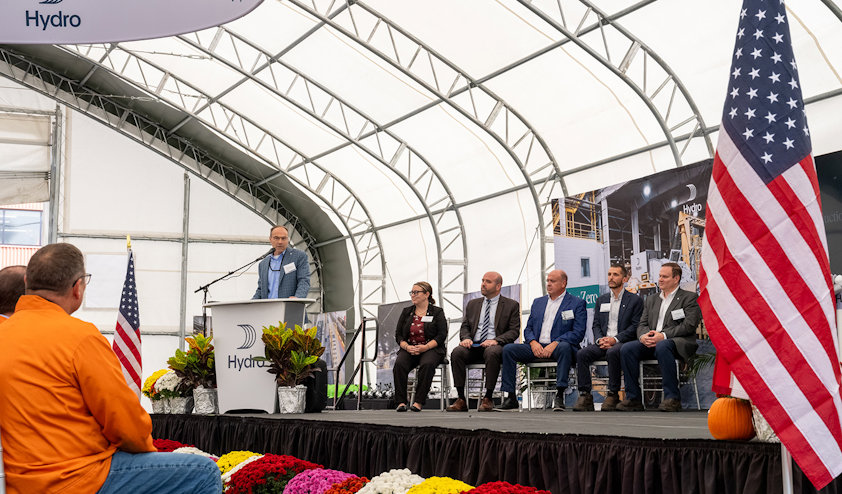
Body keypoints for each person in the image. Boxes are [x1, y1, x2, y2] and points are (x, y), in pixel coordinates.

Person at [0, 243, 221, 493]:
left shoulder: (4, 334)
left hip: (15, 481)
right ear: (77, 288)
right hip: (77, 478)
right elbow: (124, 423)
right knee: (204, 472)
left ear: (27, 282)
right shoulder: (80, 338)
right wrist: (147, 449)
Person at [617, 262, 702, 412]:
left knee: (663, 345)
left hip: (677, 342)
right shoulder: (651, 299)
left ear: (676, 279)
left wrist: (663, 336)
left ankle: (672, 398)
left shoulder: (689, 298)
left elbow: (688, 325)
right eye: (660, 276)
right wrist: (643, 336)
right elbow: (642, 324)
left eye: (665, 277)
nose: (660, 279)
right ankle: (633, 398)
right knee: (627, 349)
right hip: (652, 341)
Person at [498, 270, 587, 411]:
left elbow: (578, 332)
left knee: (564, 347)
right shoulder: (538, 302)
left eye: (553, 281)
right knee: (509, 349)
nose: (549, 284)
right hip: (537, 346)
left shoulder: (576, 303)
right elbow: (528, 329)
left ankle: (559, 395)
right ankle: (511, 397)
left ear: (563, 284)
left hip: (559, 346)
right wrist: (533, 342)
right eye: (548, 281)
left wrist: (556, 343)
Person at [572, 263, 643, 412]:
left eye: (615, 274)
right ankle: (585, 395)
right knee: (582, 354)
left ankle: (613, 393)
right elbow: (596, 324)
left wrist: (615, 339)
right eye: (610, 274)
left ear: (625, 279)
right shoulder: (601, 299)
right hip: (603, 342)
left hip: (623, 342)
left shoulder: (635, 300)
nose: (611, 277)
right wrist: (600, 340)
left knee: (613, 352)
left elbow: (635, 326)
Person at [447, 272, 520, 412]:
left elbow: (514, 331)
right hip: (473, 345)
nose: (483, 284)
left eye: (488, 281)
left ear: (498, 286)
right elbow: (465, 326)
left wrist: (496, 340)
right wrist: (466, 338)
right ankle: (461, 399)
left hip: (494, 346)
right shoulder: (473, 304)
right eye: (482, 280)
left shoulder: (511, 305)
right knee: (457, 352)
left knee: (492, 352)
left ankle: (488, 398)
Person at [392, 281, 447, 412]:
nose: (413, 295)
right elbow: (398, 335)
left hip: (431, 348)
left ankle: (418, 402)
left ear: (426, 294)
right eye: (412, 292)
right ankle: (401, 402)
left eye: (416, 292)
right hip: (410, 348)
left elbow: (441, 335)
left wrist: (426, 347)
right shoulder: (407, 312)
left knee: (427, 364)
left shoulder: (437, 312)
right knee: (399, 364)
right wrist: (406, 347)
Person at [253, 225, 311, 299]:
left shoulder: (299, 256)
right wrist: (250, 303)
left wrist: (297, 298)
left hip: (290, 305)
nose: (280, 242)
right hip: (268, 306)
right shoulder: (263, 264)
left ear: (288, 239)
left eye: (283, 238)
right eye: (276, 238)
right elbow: (261, 289)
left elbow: (304, 281)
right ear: (270, 239)